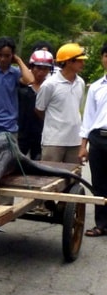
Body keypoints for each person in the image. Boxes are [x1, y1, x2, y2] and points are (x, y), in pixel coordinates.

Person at [35, 43, 86, 164]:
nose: (82, 64)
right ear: (68, 62)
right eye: (79, 61)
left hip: (75, 141)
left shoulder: (81, 82)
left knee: (73, 178)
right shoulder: (50, 85)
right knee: (51, 177)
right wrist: (54, 124)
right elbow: (39, 109)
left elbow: (77, 108)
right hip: (54, 142)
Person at [80, 42, 107, 237]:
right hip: (98, 139)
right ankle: (101, 224)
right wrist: (83, 146)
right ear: (102, 58)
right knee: (99, 183)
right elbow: (88, 118)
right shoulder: (96, 87)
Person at [18, 50, 54, 160]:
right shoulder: (21, 85)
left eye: (45, 69)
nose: (41, 72)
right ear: (32, 67)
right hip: (22, 133)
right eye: (38, 68)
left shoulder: (51, 86)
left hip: (41, 134)